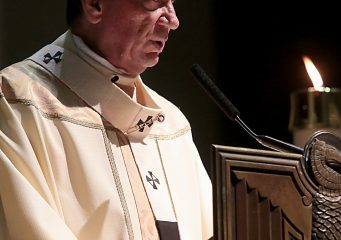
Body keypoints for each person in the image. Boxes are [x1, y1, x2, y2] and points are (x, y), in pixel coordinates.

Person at [0, 0, 213, 239]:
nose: (173, 21)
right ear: (94, 5)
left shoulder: (172, 123)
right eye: (154, 3)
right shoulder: (15, 102)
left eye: (172, 3)